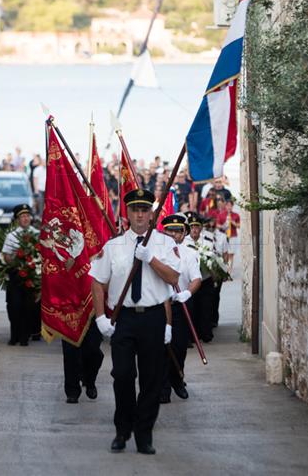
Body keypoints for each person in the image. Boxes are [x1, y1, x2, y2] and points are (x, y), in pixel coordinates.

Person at [90, 189, 180, 455]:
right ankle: (122, 429)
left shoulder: (164, 244)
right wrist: (100, 317)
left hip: (153, 317)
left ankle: (144, 434)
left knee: (151, 380)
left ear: (151, 214)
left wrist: (149, 258)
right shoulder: (114, 246)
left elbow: (174, 277)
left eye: (144, 210)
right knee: (123, 375)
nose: (140, 215)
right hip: (124, 318)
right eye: (135, 210)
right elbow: (97, 281)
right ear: (127, 214)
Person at [159, 214, 201, 404]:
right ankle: (164, 388)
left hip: (181, 303)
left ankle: (177, 380)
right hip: (160, 305)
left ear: (184, 233)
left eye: (178, 231)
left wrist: (188, 293)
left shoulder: (189, 254)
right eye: (170, 230)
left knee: (179, 347)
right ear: (163, 231)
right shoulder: (156, 253)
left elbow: (196, 279)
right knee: (161, 348)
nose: (174, 235)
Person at [2, 204, 39, 346]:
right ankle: (14, 336)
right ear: (17, 220)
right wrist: (16, 263)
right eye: (22, 216)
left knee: (28, 307)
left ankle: (24, 337)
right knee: (14, 306)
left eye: (27, 216)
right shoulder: (12, 236)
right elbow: (6, 255)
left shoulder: (35, 234)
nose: (25, 219)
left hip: (31, 276)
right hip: (16, 275)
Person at [184, 212, 214, 343]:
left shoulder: (208, 240)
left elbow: (213, 257)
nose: (194, 229)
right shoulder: (184, 242)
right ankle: (192, 336)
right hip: (190, 281)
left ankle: (206, 333)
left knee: (206, 307)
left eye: (197, 226)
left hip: (205, 279)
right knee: (192, 308)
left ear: (201, 227)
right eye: (192, 226)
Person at [61, 322, 104, 404]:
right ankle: (72, 391)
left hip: (92, 314)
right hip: (69, 314)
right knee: (70, 351)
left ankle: (90, 381)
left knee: (93, 351)